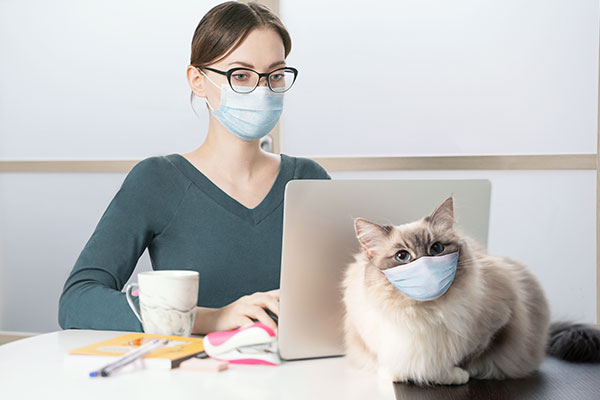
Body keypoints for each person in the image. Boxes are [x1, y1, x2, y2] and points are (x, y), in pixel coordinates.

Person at [58, 1, 330, 335]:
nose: (262, 90)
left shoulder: (308, 180)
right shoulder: (157, 181)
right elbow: (77, 302)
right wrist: (211, 318)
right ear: (197, 80)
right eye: (240, 75)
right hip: (195, 380)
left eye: (274, 75)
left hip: (300, 378)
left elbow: (348, 296)